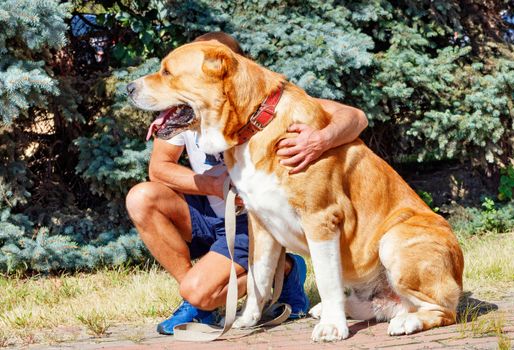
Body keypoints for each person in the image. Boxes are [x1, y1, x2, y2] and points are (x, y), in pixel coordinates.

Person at [125, 32, 368, 335]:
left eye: (171, 73)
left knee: (199, 289)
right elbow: (159, 170)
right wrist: (211, 185)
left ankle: (282, 273)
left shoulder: (269, 107)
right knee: (141, 198)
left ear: (225, 73)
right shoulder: (186, 109)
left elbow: (355, 116)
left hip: (247, 222)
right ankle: (198, 301)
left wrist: (320, 140)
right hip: (210, 211)